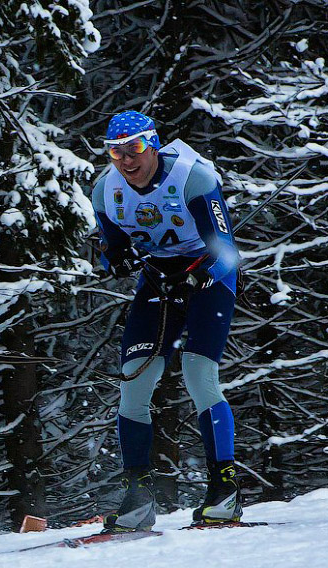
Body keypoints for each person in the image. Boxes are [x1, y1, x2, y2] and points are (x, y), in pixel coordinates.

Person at [91, 110, 242, 532]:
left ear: (153, 144)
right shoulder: (106, 190)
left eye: (135, 147)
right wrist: (111, 256)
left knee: (199, 374)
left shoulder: (193, 178)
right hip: (158, 281)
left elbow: (226, 251)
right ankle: (138, 498)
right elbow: (110, 247)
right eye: (115, 151)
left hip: (208, 278)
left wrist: (195, 275)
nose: (126, 159)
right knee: (133, 381)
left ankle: (224, 493)